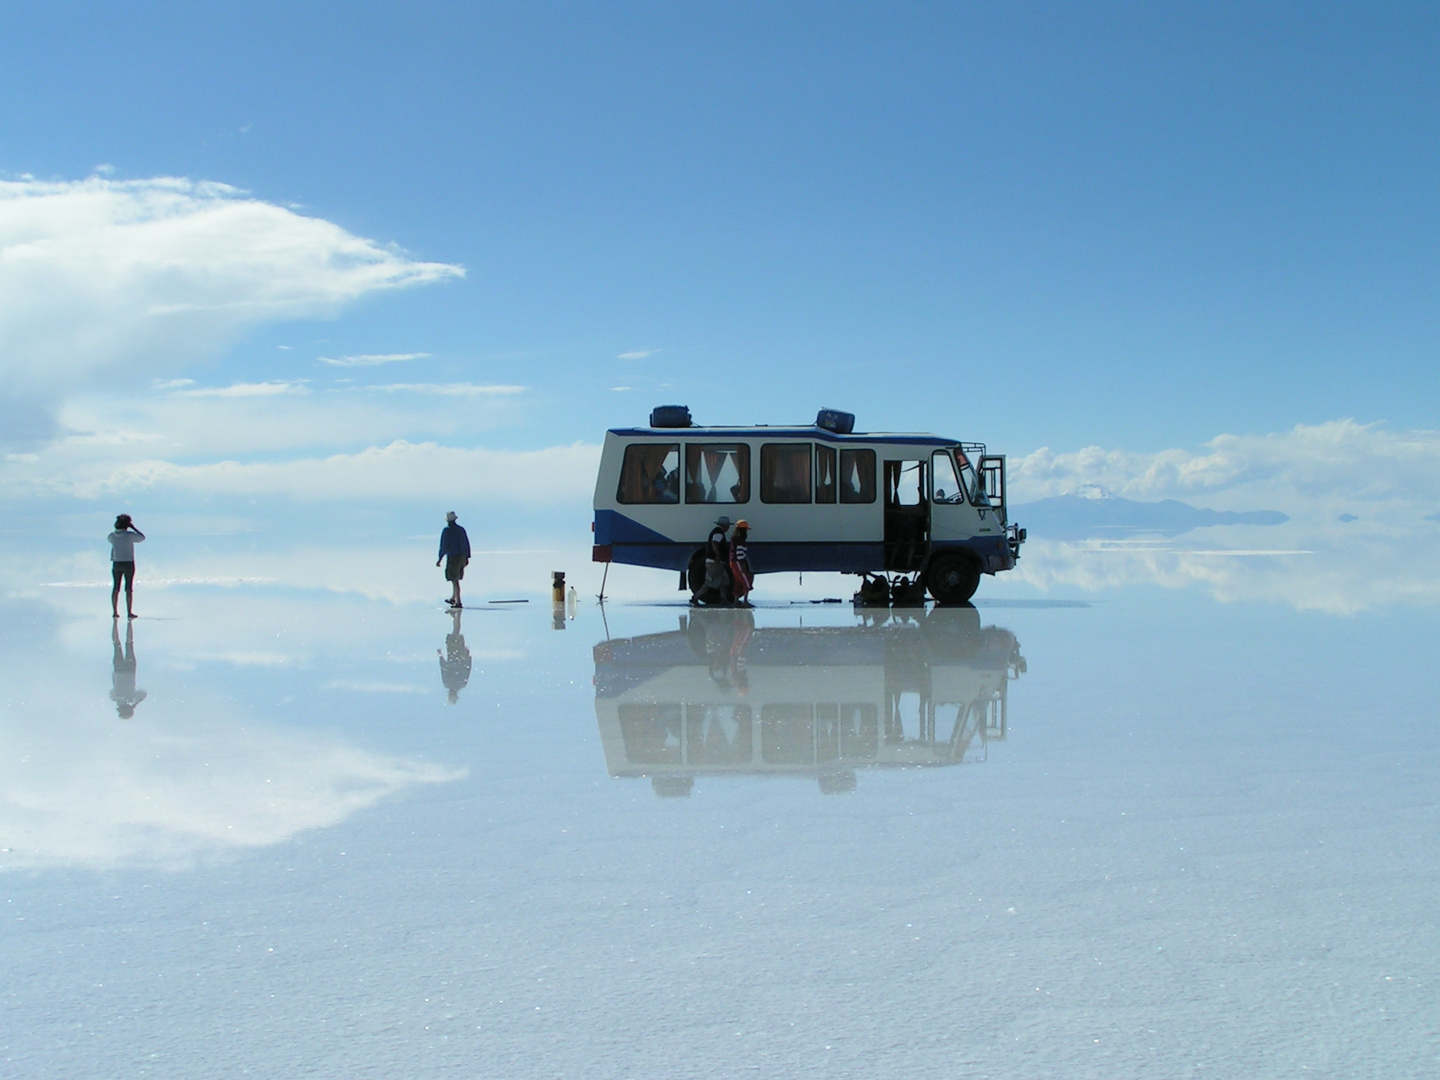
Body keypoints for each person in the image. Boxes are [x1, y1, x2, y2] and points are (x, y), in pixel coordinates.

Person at [108, 513, 145, 619]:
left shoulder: (112, 536)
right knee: (128, 588)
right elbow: (142, 538)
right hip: (128, 562)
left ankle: (115, 611)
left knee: (116, 588)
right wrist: (133, 528)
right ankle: (129, 612)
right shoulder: (129, 535)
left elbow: (109, 539)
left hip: (117, 562)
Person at [110, 619, 147, 719]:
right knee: (117, 645)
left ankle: (123, 625)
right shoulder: (115, 698)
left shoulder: (131, 698)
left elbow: (143, 694)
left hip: (130, 671)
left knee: (129, 644)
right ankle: (117, 625)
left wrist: (135, 704)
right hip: (119, 671)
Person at [693, 516, 732, 606]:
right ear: (725, 525)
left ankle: (723, 599)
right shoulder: (719, 533)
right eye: (728, 525)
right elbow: (714, 543)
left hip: (718, 562)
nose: (728, 527)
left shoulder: (717, 532)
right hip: (715, 562)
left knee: (724, 581)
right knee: (709, 582)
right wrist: (717, 555)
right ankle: (695, 597)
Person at [436, 510, 471, 608]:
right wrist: (467, 556)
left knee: (454, 579)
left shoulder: (447, 531)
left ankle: (458, 601)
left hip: (453, 557)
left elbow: (444, 546)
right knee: (456, 577)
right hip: (462, 556)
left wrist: (439, 559)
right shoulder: (461, 530)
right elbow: (466, 543)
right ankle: (453, 598)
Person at [438, 608, 472, 704]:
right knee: (455, 634)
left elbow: (467, 669)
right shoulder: (454, 683)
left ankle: (456, 617)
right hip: (456, 656)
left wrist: (468, 658)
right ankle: (456, 617)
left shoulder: (460, 684)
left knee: (455, 634)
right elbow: (444, 668)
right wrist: (440, 656)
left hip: (457, 656)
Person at [729, 520, 753, 606]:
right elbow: (739, 553)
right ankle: (745, 601)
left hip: (733, 562)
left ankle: (736, 601)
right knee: (747, 581)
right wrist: (742, 564)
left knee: (738, 581)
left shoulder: (734, 538)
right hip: (738, 562)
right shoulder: (740, 540)